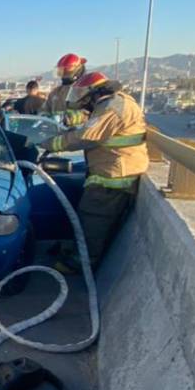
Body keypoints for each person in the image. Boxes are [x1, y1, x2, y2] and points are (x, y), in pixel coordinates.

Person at [43, 72, 148, 272]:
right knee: (88, 217)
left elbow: (87, 135)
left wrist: (51, 143)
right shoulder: (110, 104)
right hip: (110, 172)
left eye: (85, 99)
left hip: (114, 177)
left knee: (94, 219)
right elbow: (89, 122)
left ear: (95, 93)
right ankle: (77, 252)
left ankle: (82, 263)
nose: (84, 103)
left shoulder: (113, 107)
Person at [43, 53, 89, 125]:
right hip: (57, 131)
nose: (63, 75)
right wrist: (44, 117)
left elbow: (90, 114)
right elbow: (44, 109)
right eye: (61, 71)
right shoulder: (55, 93)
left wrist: (68, 119)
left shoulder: (86, 91)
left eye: (66, 72)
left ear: (77, 71)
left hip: (78, 131)